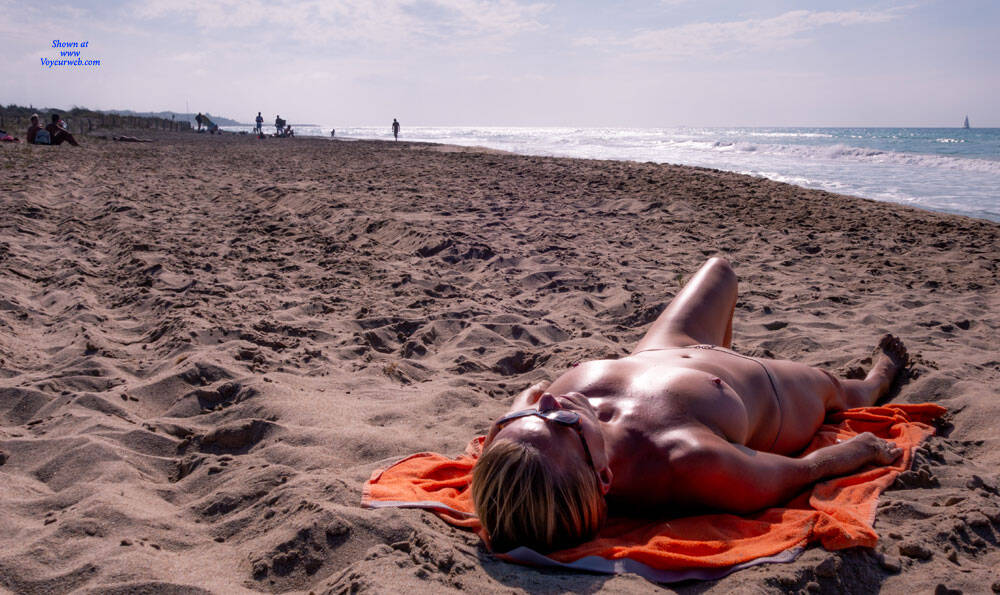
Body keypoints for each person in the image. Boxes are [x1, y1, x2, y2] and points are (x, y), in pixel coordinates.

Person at [472, 257, 909, 553]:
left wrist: (520, 416)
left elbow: (529, 401)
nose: (548, 401)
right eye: (561, 420)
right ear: (603, 476)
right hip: (767, 390)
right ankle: (877, 380)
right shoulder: (688, 460)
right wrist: (861, 448)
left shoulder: (532, 436)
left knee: (720, 269)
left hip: (664, 348)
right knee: (842, 393)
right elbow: (799, 472)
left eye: (528, 416)